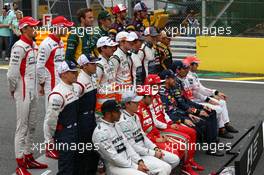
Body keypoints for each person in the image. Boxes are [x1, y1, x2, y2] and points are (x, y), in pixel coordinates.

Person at [7, 16, 48, 175]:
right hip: (23, 90)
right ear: (24, 29)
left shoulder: (33, 45)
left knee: (32, 125)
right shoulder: (19, 46)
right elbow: (12, 74)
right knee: (22, 127)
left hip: (33, 90)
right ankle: (20, 165)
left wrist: (41, 83)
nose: (35, 29)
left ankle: (28, 156)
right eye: (32, 27)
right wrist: (13, 89)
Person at [144, 74, 205, 172]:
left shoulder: (157, 95)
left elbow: (163, 112)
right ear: (149, 86)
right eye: (156, 85)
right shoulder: (147, 100)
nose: (159, 86)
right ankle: (186, 166)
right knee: (187, 138)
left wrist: (170, 122)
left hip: (166, 124)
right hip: (161, 128)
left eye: (159, 84)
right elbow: (154, 121)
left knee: (192, 132)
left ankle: (190, 161)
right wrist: (168, 125)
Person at [159, 68, 224, 156]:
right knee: (203, 121)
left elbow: (184, 101)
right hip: (175, 117)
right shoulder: (162, 93)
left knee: (211, 112)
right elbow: (169, 112)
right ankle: (210, 145)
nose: (175, 80)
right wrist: (189, 115)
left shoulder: (173, 87)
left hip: (181, 112)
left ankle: (212, 141)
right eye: (172, 78)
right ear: (166, 80)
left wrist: (201, 107)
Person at [37, 16, 74, 159]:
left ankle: (56, 142)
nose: (67, 29)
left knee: (59, 115)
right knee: (50, 116)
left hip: (60, 85)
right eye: (65, 26)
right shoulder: (46, 44)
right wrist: (42, 84)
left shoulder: (59, 42)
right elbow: (40, 67)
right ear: (58, 27)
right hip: (50, 86)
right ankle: (48, 146)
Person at [118, 91, 180, 174]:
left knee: (175, 159)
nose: (138, 103)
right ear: (127, 104)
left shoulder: (135, 116)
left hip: (145, 149)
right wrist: (153, 153)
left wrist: (155, 148)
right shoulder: (122, 121)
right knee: (166, 168)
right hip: (135, 155)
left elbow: (143, 135)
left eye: (138, 101)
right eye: (135, 102)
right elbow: (132, 146)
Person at [184, 56, 238, 137]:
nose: (198, 66)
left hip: (198, 98)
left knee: (222, 102)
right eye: (196, 64)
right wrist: (213, 94)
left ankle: (226, 124)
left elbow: (199, 88)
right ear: (191, 65)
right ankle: (221, 129)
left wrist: (212, 95)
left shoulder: (193, 74)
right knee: (218, 107)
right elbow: (199, 90)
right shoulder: (188, 77)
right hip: (194, 101)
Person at [92, 100, 150, 175]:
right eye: (117, 112)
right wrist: (136, 167)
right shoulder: (100, 133)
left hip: (129, 161)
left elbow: (127, 145)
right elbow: (113, 157)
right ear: (108, 114)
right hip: (115, 167)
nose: (120, 114)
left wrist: (139, 161)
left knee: (165, 167)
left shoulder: (116, 124)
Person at [45, 60, 79, 175]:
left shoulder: (73, 87)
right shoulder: (57, 95)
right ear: (64, 74)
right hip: (65, 135)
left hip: (74, 131)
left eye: (76, 71)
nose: (76, 74)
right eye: (73, 72)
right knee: (66, 167)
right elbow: (50, 121)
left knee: (74, 165)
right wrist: (49, 141)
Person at [75, 54, 100, 175]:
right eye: (93, 64)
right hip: (84, 120)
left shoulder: (91, 77)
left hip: (91, 117)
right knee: (85, 150)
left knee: (93, 149)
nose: (95, 66)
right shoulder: (80, 82)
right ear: (85, 66)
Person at [95, 36, 119, 116]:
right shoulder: (98, 65)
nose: (113, 49)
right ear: (102, 48)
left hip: (112, 102)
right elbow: (95, 87)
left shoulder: (111, 62)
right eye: (110, 47)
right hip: (102, 107)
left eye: (113, 46)